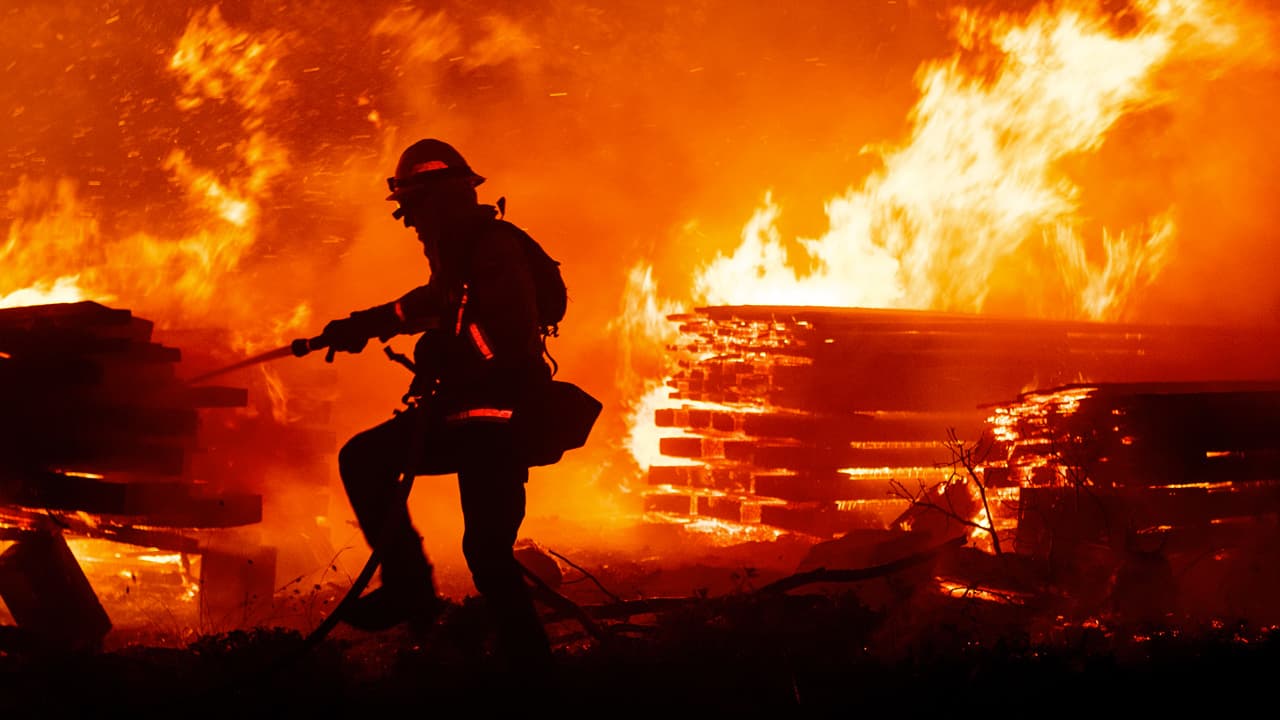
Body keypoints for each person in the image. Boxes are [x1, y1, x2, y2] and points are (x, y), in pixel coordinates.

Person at [315, 138, 559, 670]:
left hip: (499, 422)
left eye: (413, 209)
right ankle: (421, 607)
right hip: (469, 417)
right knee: (366, 460)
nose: (409, 223)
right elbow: (430, 304)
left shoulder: (493, 249)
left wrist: (454, 345)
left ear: (442, 200)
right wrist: (364, 325)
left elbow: (510, 343)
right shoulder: (459, 254)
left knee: (488, 556)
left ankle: (527, 670)